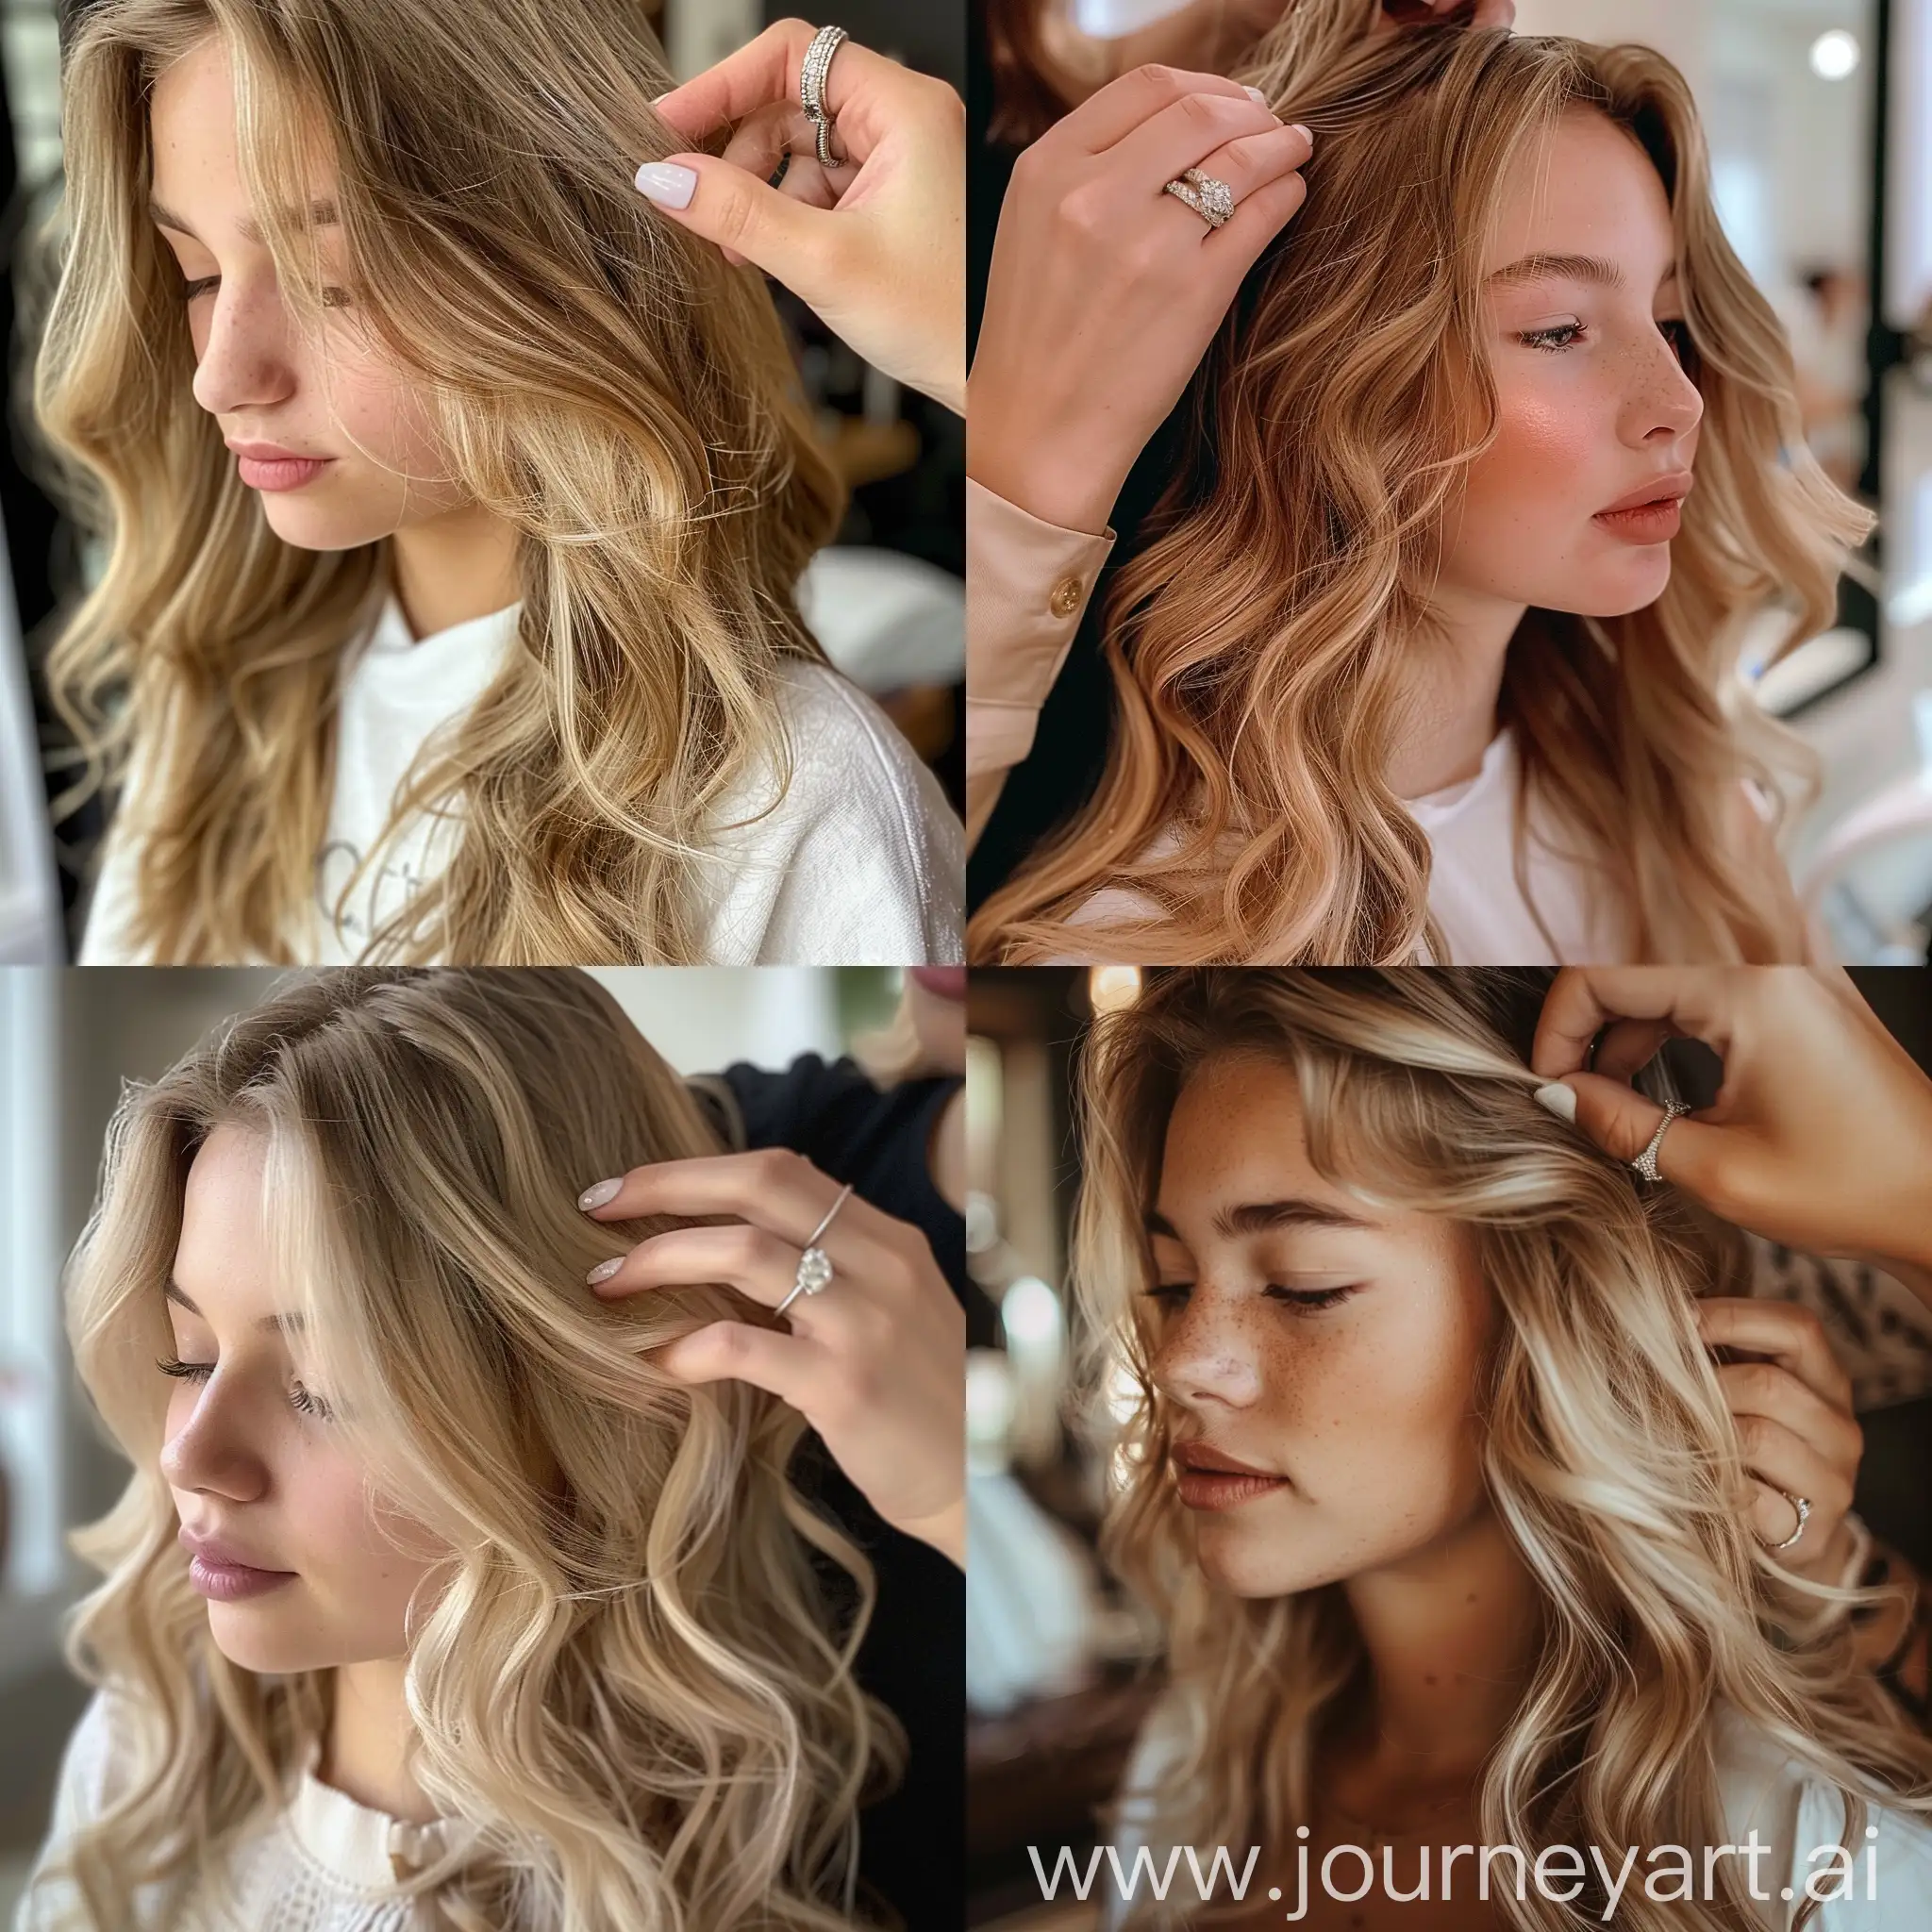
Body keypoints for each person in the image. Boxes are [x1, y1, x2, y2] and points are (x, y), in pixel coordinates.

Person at [16, 969, 962, 1931]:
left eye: (322, 1386)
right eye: (190, 1357)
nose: (191, 1456)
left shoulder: (666, 1893)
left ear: (577, 1409)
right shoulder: (154, 1751)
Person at [42, 0, 961, 967]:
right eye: (195, 275)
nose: (220, 377)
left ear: (558, 266)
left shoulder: (796, 797)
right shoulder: (216, 705)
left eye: (332, 280)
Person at [966, 0, 1864, 965]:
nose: (1676, 400)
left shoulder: (1685, 816)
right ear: (1327, 387)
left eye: (1672, 320)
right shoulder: (1144, 946)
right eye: (1557, 330)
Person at [1065, 970, 1932, 1929]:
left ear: (1549, 1316)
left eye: (1303, 1287)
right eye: (1170, 1283)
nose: (1180, 1360)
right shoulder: (1188, 1777)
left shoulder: (1797, 1852)